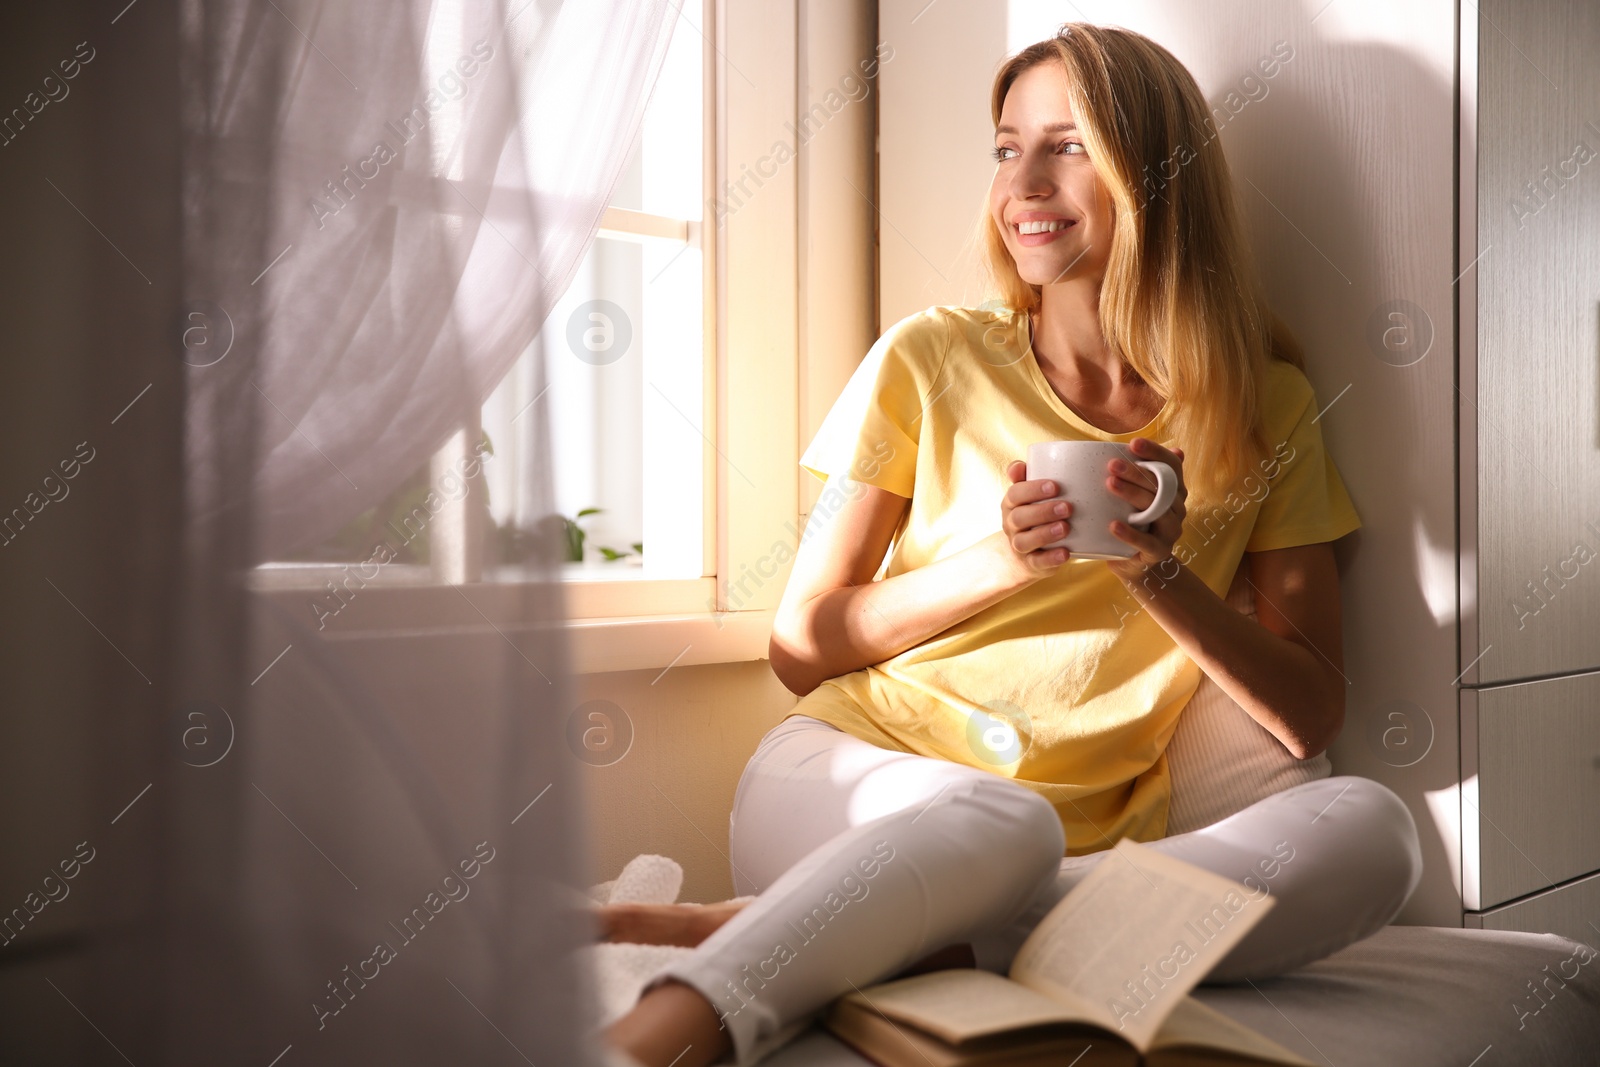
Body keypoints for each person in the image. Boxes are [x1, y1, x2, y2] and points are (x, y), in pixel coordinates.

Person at [603, 22, 1422, 1067]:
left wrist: (1154, 571)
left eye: (1067, 145)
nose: (1023, 181)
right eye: (1005, 147)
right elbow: (800, 645)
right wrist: (1000, 559)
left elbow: (1308, 710)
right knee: (1005, 823)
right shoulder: (931, 353)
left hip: (1089, 842)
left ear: (1156, 176)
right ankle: (659, 1030)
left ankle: (827, 931)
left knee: (1370, 828)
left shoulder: (1266, 404)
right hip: (859, 775)